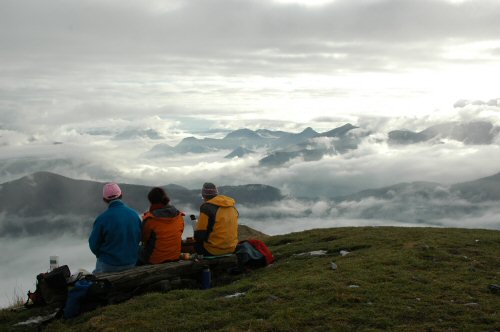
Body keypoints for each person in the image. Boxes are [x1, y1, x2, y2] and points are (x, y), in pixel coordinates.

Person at [88, 183, 142, 273]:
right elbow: (140, 237)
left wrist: (101, 255)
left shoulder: (102, 219)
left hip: (108, 265)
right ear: (121, 195)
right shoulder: (134, 215)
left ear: (104, 199)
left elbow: (93, 245)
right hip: (132, 262)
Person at [138, 187, 185, 264]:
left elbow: (143, 239)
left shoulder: (150, 219)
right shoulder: (179, 216)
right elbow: (180, 232)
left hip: (155, 260)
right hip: (175, 257)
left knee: (137, 250)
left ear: (151, 201)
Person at [194, 182, 239, 256]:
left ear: (203, 195)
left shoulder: (206, 207)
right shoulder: (232, 206)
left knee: (196, 245)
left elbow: (200, 234)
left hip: (214, 250)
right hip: (232, 248)